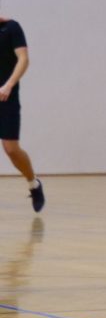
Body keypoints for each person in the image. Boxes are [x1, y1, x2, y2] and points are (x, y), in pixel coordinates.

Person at [0, 15, 44, 212]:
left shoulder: (11, 28)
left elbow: (23, 59)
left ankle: (33, 184)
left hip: (6, 97)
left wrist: (8, 85)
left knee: (11, 149)